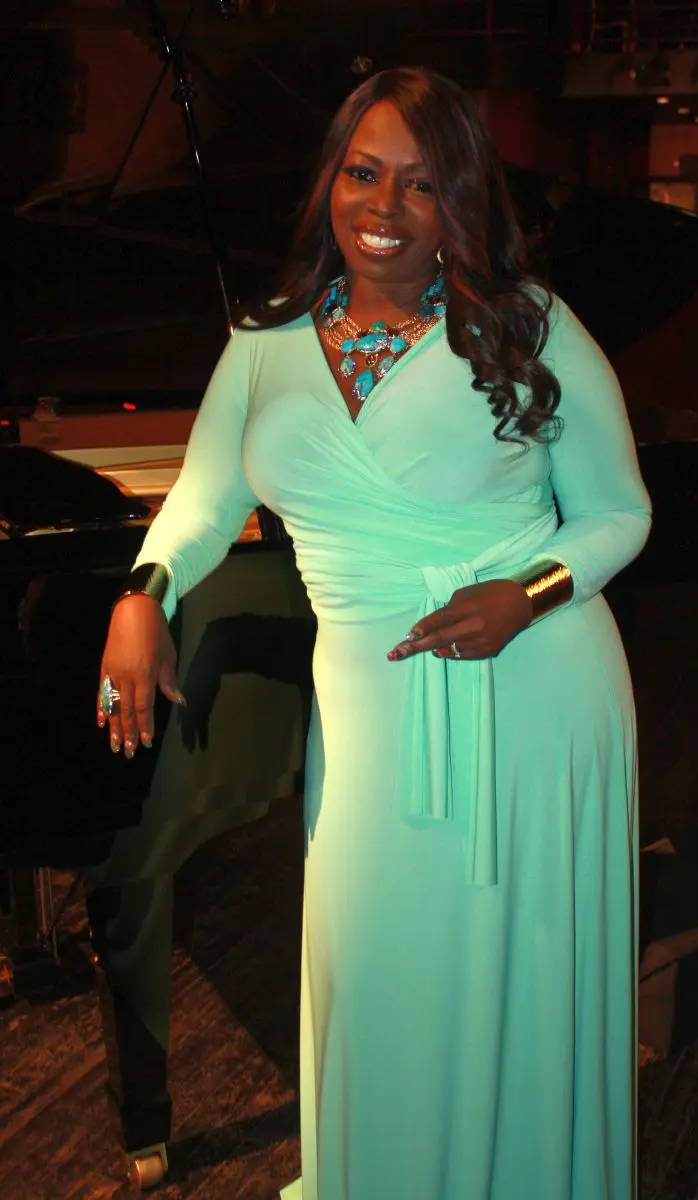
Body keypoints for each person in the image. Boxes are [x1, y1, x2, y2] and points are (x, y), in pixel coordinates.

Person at [97, 67, 651, 1200]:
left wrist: (529, 593)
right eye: (363, 172)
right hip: (366, 718)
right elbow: (202, 498)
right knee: (372, 965)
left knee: (518, 967)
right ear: (330, 182)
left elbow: (620, 512)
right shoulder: (265, 342)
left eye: (421, 182)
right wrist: (142, 593)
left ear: (460, 201)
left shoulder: (526, 324)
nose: (384, 206)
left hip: (533, 692)